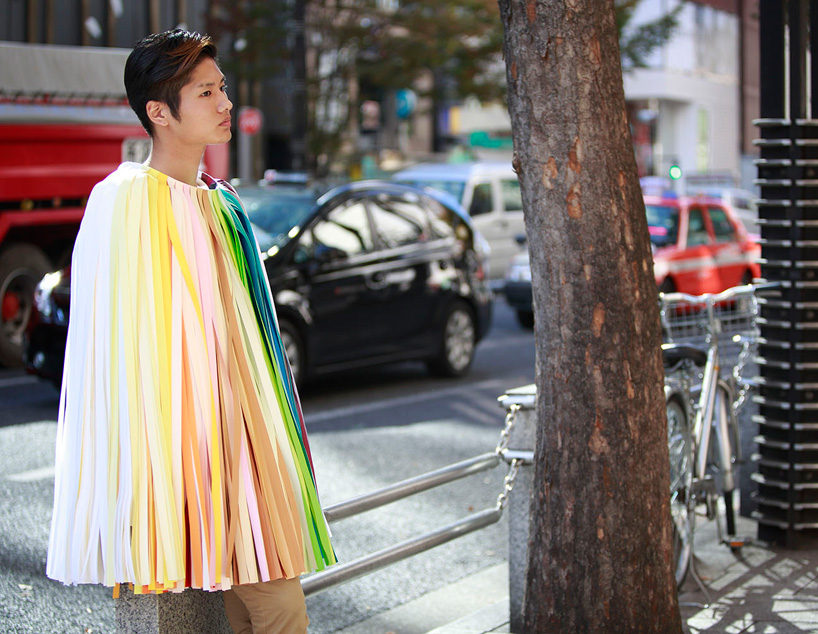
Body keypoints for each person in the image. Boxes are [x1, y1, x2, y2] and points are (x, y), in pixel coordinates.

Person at [45, 29, 336, 633]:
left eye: (222, 87)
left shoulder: (221, 202)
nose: (226, 102)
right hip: (175, 460)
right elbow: (111, 348)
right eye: (206, 92)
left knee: (273, 608)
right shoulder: (124, 200)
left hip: (245, 447)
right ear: (160, 112)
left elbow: (249, 335)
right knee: (267, 611)